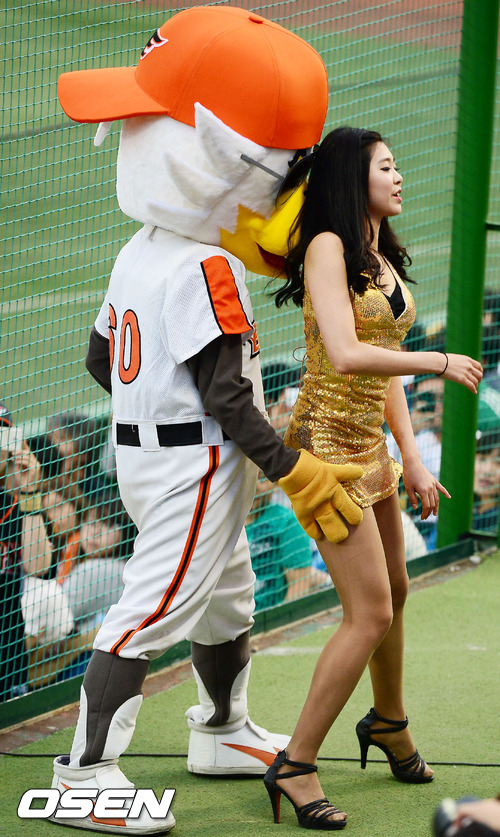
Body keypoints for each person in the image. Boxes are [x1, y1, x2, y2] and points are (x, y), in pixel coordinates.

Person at [50, 9, 364, 833]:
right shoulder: (207, 264)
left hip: (145, 455)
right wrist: (292, 467)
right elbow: (227, 397)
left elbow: (99, 359)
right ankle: (82, 774)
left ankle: (222, 730)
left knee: (227, 596)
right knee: (151, 609)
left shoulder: (141, 246)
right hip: (195, 466)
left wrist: (148, 404)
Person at [262, 126, 483, 830]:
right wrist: (438, 361)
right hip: (325, 449)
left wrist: (410, 455)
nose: (398, 176)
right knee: (371, 611)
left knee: (399, 587)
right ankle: (295, 763)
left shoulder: (379, 251)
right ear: (352, 178)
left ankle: (388, 720)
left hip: (370, 446)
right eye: (386, 166)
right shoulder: (327, 246)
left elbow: (382, 357)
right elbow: (349, 353)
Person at [246, 474, 330, 611]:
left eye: (262, 479)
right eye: (249, 478)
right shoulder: (224, 525)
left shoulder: (287, 522)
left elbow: (299, 587)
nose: (255, 486)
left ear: (274, 484)